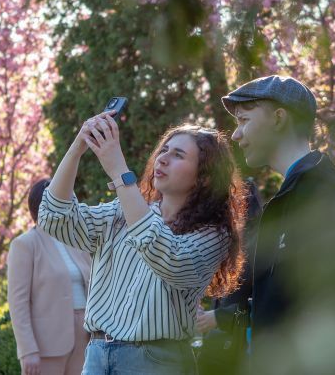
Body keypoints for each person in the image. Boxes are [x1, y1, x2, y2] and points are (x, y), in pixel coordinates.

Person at [37, 113, 247, 375]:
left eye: (179, 155)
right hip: (97, 355)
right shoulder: (123, 210)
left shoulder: (214, 233)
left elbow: (170, 259)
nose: (163, 158)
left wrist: (119, 171)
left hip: (155, 361)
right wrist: (77, 147)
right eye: (164, 150)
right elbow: (54, 219)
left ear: (205, 177)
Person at [221, 75, 335, 354]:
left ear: (278, 118)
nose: (235, 135)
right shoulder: (297, 188)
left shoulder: (320, 191)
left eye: (244, 120)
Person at [7, 179, 92, 375]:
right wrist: (27, 350)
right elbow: (18, 302)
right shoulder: (25, 244)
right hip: (46, 345)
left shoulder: (77, 241)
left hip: (86, 338)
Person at [195, 179, 262, 375]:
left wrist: (219, 317)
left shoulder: (261, 247)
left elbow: (265, 305)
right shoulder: (229, 246)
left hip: (246, 357)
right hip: (218, 352)